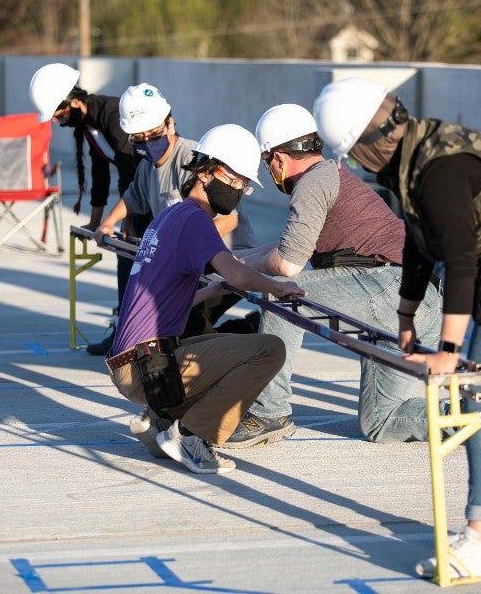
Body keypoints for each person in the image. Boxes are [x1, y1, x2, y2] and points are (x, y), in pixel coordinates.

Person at [314, 77, 481, 579]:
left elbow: (460, 258)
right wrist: (404, 316)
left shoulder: (438, 168)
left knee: (479, 390)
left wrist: (447, 349)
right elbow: (421, 246)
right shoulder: (413, 158)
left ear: (371, 140)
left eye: (353, 153)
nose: (355, 163)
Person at [220, 103, 443, 449]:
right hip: (418, 303)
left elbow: (288, 265)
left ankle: (269, 413)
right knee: (380, 422)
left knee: (280, 292)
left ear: (278, 159)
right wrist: (229, 260)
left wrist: (238, 268)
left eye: (268, 164)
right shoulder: (329, 175)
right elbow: (283, 248)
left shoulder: (313, 182)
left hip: (392, 287)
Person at [106, 124, 306, 474]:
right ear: (211, 172)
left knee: (218, 344)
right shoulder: (196, 220)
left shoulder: (171, 215)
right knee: (269, 350)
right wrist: (277, 286)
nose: (240, 192)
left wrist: (215, 291)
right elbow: (238, 272)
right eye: (238, 182)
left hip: (134, 359)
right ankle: (194, 435)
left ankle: (158, 422)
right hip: (146, 365)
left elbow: (169, 296)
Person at [92, 83, 258, 351]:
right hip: (192, 266)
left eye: (153, 134)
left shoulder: (192, 160)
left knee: (187, 323)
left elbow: (231, 219)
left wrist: (183, 247)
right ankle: (236, 341)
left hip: (224, 259)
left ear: (170, 123)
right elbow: (132, 198)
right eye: (138, 138)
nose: (147, 142)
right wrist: (108, 223)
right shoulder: (148, 166)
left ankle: (250, 335)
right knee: (184, 325)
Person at [29, 63, 144, 355]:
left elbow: (131, 173)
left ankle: (133, 335)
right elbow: (101, 175)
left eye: (60, 114)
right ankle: (123, 331)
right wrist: (96, 223)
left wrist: (126, 223)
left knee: (133, 259)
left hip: (152, 197)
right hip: (137, 198)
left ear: (74, 101)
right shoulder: (90, 124)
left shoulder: (112, 114)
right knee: (126, 258)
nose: (57, 121)